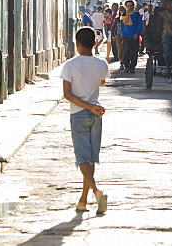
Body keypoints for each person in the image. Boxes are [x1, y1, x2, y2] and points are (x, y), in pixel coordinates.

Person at [61, 27, 111, 215]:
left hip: (80, 114)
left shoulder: (70, 65)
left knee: (82, 158)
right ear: (94, 43)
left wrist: (87, 106)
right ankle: (83, 200)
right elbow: (101, 82)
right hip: (96, 115)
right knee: (90, 159)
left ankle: (96, 191)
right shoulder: (101, 64)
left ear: (78, 43)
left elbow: (67, 94)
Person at [118, 0, 143, 73]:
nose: (129, 7)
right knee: (126, 51)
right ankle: (126, 66)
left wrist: (137, 33)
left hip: (134, 36)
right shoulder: (124, 15)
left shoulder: (137, 15)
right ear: (125, 6)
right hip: (126, 36)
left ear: (133, 6)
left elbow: (140, 25)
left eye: (131, 6)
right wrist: (122, 33)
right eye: (128, 6)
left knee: (134, 52)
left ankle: (132, 67)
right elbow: (121, 25)